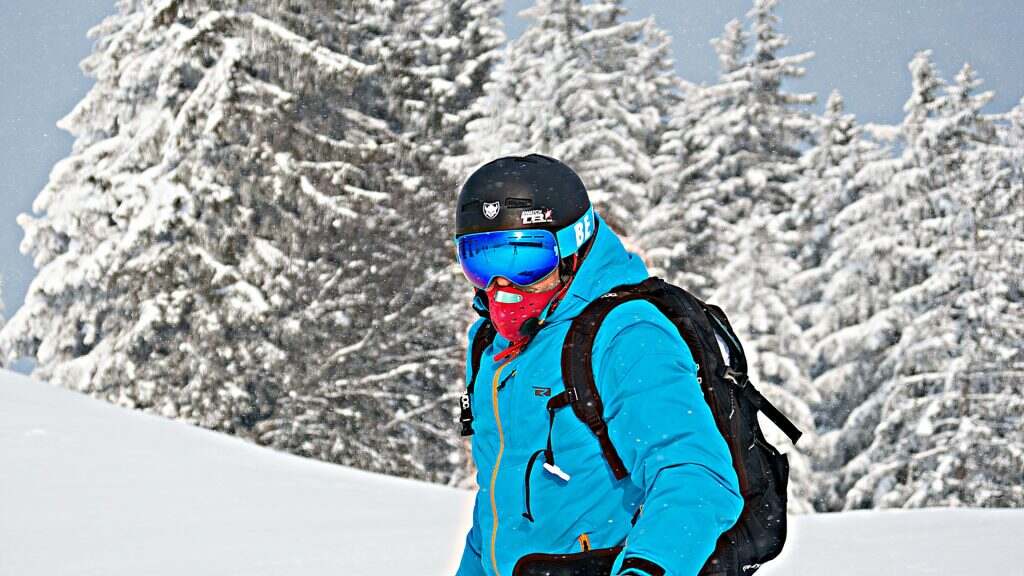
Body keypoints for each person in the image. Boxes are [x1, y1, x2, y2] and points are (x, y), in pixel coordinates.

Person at [453, 154, 743, 576]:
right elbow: (497, 509)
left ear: (573, 247)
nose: (503, 287)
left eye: (524, 262)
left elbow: (697, 480)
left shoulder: (627, 334)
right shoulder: (489, 346)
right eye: (482, 263)